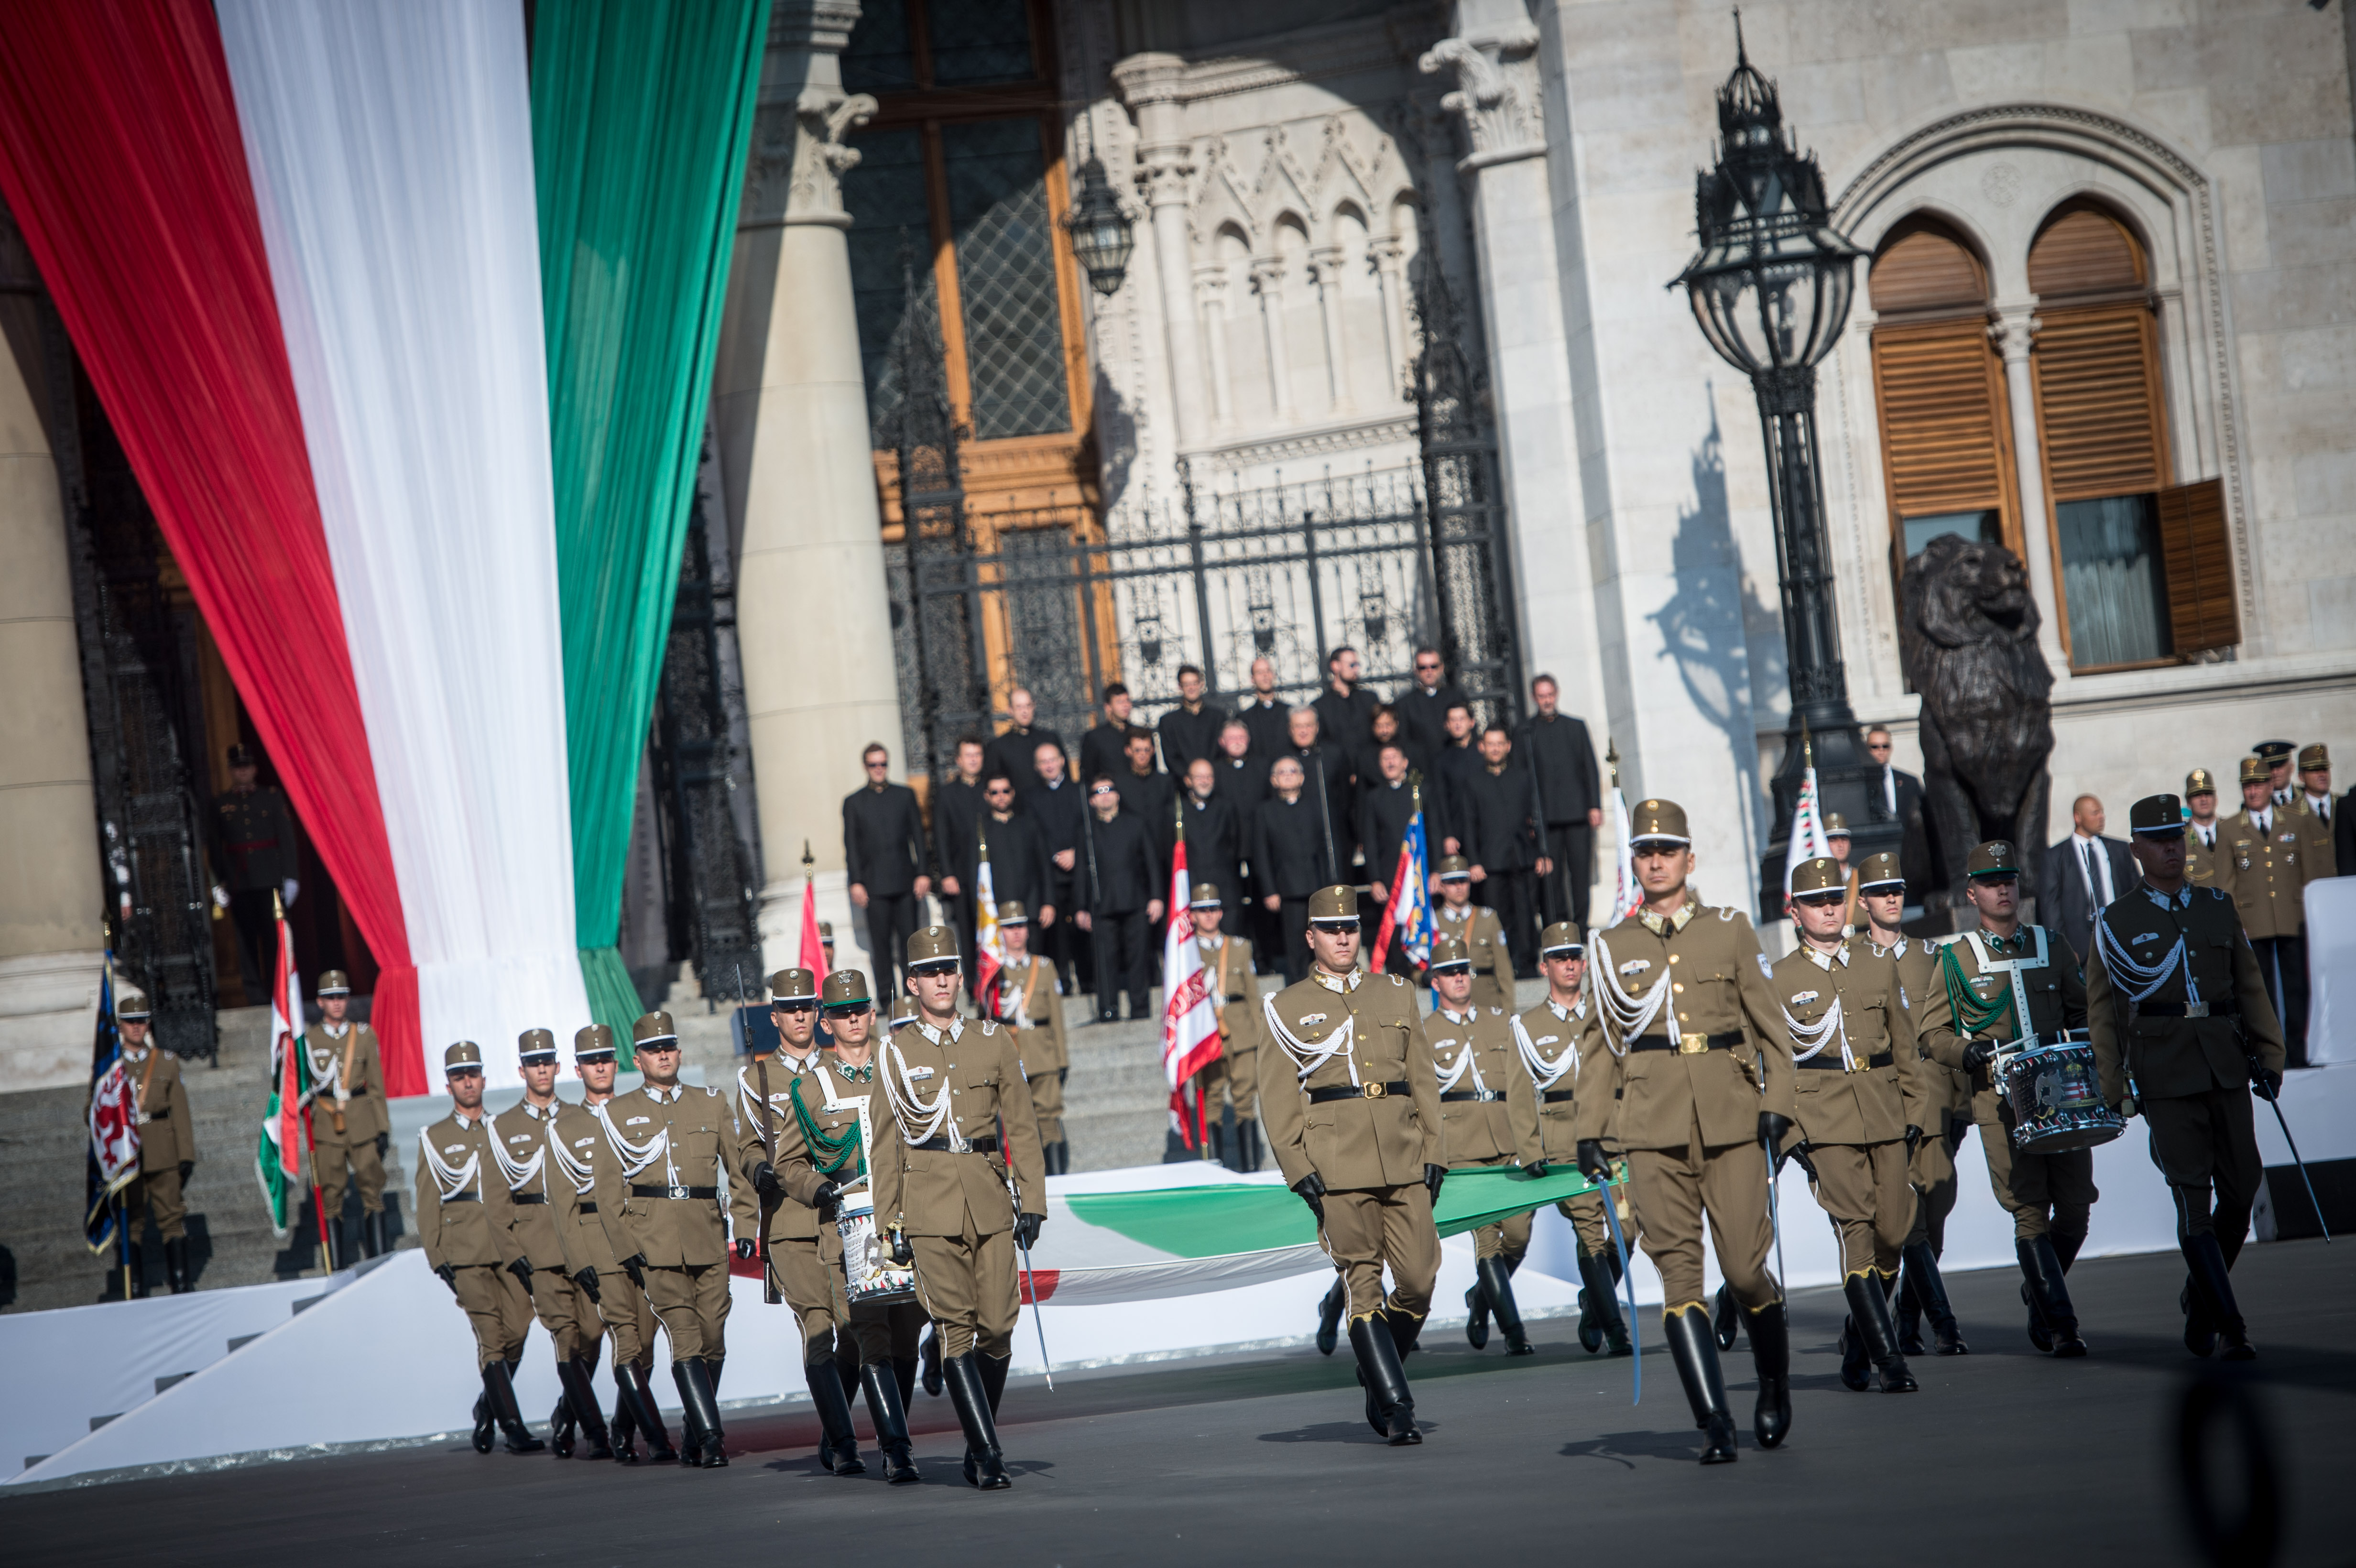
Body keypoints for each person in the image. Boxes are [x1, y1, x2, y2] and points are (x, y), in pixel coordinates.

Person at [1572, 799, 1798, 1464]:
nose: (1656, 862)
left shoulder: (1729, 929)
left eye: (1667, 851)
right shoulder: (1610, 947)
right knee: (1679, 1277)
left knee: (1744, 1271)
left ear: (1688, 859)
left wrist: (1777, 1102)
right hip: (1652, 1128)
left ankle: (1773, 1380)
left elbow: (1773, 1031)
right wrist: (1589, 1130)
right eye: (1645, 852)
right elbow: (1598, 1048)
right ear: (1634, 863)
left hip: (1730, 1120)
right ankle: (1714, 1422)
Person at [2088, 795, 2287, 1361]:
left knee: (2242, 1190)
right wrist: (2113, 1085)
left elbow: (2249, 986)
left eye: (2175, 837)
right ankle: (2230, 1324)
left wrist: (2269, 1056)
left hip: (2224, 1064)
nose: (2170, 848)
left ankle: (2200, 1298)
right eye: (2157, 841)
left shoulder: (2216, 905)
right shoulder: (2114, 921)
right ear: (2135, 849)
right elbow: (2103, 1014)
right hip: (2164, 1073)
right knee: (2192, 1202)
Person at [1262, 887, 1443, 1447]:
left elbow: (1423, 1078)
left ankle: (1376, 1368)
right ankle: (1395, 1405)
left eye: (1350, 927)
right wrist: (1297, 1166)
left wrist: (1435, 1150)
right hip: (1336, 1163)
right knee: (1361, 1282)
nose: (1342, 937)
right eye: (1330, 928)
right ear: (1310, 936)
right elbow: (1277, 1098)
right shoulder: (1285, 1007)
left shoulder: (1396, 991)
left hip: (1403, 1152)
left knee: (1418, 1281)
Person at [870, 926, 1047, 1490]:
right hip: (928, 1205)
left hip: (989, 1195)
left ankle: (978, 1438)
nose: (941, 979)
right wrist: (889, 1223)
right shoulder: (895, 1052)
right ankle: (987, 1453)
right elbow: (884, 1145)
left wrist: (1033, 1199)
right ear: (912, 984)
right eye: (930, 972)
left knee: (997, 1327)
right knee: (957, 1327)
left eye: (948, 969)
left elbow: (1022, 1123)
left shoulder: (993, 1039)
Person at [1914, 840, 2094, 1357]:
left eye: (2009, 881)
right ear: (1972, 893)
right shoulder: (1955, 959)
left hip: (2060, 1094)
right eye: (1991, 883)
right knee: (2028, 1210)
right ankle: (2061, 1325)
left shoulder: (2051, 944)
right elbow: (1931, 1034)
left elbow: (2081, 1013)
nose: (2002, 890)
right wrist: (1964, 1051)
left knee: (2076, 1209)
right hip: (1999, 1100)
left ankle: (2038, 1291)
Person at [764, 969, 926, 1483]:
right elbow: (788, 1163)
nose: (852, 1018)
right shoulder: (811, 1088)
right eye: (841, 1012)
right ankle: (896, 1449)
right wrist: (818, 1188)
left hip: (906, 1220)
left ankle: (889, 1432)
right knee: (869, 1336)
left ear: (873, 1014)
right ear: (827, 1023)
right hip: (847, 1226)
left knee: (907, 1336)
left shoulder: (899, 1070)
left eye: (859, 1009)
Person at [1775, 857, 1927, 1395]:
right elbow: (1769, 1064)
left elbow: (1904, 1045)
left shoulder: (1876, 962)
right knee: (1856, 1233)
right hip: (1824, 1122)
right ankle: (1890, 1361)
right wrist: (1790, 1133)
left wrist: (1915, 1111)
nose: (1828, 909)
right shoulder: (1778, 979)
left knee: (1894, 1234)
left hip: (1884, 1111)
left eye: (1835, 899)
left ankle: (1859, 1340)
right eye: (1815, 902)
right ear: (1794, 911)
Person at [593, 1011, 756, 1469]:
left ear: (680, 1052)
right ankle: (711, 1438)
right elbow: (607, 1193)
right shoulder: (615, 1114)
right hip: (655, 1243)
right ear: (638, 1060)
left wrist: (746, 1226)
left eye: (668, 1047)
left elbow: (739, 1173)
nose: (662, 1055)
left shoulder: (711, 1102)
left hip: (707, 1235)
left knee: (713, 1340)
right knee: (685, 1338)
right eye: (652, 1049)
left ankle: (692, 1428)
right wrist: (627, 1249)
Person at [733, 969, 851, 1469]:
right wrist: (758, 1168)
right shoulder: (756, 1079)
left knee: (854, 1329)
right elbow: (744, 1147)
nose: (800, 1015)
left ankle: (834, 1429)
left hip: (841, 1216)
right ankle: (844, 1445)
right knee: (818, 1326)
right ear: (775, 1016)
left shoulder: (842, 1069)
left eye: (807, 1006)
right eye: (790, 1008)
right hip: (789, 1221)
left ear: (818, 1013)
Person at [1854, 852, 1966, 1357]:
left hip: (1935, 1103)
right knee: (1910, 1223)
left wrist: (1959, 1107)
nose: (1892, 898)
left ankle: (1901, 1319)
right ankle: (1944, 1324)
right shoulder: (1850, 961)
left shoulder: (1930, 955)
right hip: (1883, 1106)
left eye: (1897, 889)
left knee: (1935, 1216)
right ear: (1863, 901)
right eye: (1881, 892)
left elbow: (1951, 1030)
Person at [552, 1024, 674, 1465]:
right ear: (578, 1069)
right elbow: (563, 1205)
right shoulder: (564, 1128)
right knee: (625, 1336)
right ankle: (655, 1437)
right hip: (597, 1241)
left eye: (605, 1058)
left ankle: (620, 1427)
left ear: (617, 1063)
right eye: (591, 1061)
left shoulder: (633, 1111)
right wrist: (578, 1259)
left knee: (648, 1341)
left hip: (640, 1235)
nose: (600, 1066)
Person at [1510, 922, 1630, 1357]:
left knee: (1629, 1231)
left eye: (1576, 957)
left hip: (1614, 1136)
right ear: (1545, 967)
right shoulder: (1527, 1025)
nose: (1570, 965)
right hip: (1565, 1142)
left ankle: (1593, 1305)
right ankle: (1615, 1329)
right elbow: (1520, 1093)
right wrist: (1531, 1150)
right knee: (1590, 1233)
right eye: (1560, 959)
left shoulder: (1607, 1016)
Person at [414, 1041, 540, 1455]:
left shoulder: (502, 1128)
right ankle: (513, 1427)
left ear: (484, 1079)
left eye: (472, 1075)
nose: (467, 1082)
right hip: (465, 1251)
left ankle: (487, 1407)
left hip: (508, 1245)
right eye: (459, 1076)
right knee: (490, 1337)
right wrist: (438, 1257)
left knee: (518, 1328)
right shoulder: (434, 1137)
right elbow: (427, 1203)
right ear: (448, 1085)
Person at [1422, 935, 1534, 1358]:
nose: (1459, 978)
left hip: (1508, 1140)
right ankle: (1515, 1331)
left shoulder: (1501, 1020)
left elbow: (1521, 1085)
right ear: (1435, 982)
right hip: (1463, 1147)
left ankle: (1481, 1298)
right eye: (1449, 973)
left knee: (1518, 1236)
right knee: (1487, 1241)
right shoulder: (1425, 1033)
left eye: (1463, 970)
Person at [489, 1028, 600, 1454]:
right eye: (533, 1063)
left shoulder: (579, 1118)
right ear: (522, 1070)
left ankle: (566, 1414)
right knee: (566, 1337)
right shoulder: (503, 1127)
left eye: (547, 1062)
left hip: (581, 1243)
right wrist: (513, 1251)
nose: (541, 1069)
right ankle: (594, 1430)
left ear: (558, 1066)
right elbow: (496, 1201)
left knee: (593, 1333)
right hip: (538, 1246)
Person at [2220, 755, 2311, 1068]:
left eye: (2258, 784)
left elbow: (2308, 875)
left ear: (2271, 785)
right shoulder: (2230, 829)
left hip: (2291, 917)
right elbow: (2226, 886)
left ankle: (2298, 1050)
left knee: (2297, 987)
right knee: (2262, 992)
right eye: (2248, 786)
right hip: (2253, 921)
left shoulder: (2296, 822)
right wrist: (2235, 925)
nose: (2253, 791)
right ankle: (2272, 1054)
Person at [114, 986, 196, 1296]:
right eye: (130, 1021)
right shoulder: (110, 1067)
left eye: (142, 1020)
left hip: (163, 1151)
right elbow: (91, 1113)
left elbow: (181, 1112)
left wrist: (186, 1155)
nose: (137, 1027)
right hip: (127, 1156)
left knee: (172, 1218)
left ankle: (181, 1285)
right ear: (121, 1025)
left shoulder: (166, 1062)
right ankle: (134, 1290)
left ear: (148, 1023)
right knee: (132, 1222)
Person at [302, 970, 387, 1264]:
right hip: (327, 1125)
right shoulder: (309, 1040)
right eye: (330, 998)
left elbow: (376, 1086)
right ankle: (337, 1268)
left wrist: (383, 1128)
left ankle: (379, 1263)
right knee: (331, 1197)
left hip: (362, 1121)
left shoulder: (364, 1035)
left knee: (373, 1191)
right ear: (320, 1002)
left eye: (341, 997)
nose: (337, 1003)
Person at [206, 742, 300, 999]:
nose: (243, 771)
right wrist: (217, 883)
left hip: (270, 879)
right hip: (239, 881)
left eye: (246, 766)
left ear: (255, 769)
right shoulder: (220, 804)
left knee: (274, 939)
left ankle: (280, 993)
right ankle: (255, 996)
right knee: (245, 943)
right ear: (230, 771)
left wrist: (291, 876)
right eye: (238, 767)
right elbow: (214, 848)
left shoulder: (271, 797)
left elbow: (286, 838)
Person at [844, 743, 932, 1004]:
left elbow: (919, 837)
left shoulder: (905, 795)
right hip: (873, 886)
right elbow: (851, 846)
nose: (879, 769)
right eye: (874, 765)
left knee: (910, 943)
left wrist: (923, 873)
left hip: (905, 882)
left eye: (883, 764)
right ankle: (887, 999)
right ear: (865, 767)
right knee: (880, 946)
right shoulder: (854, 802)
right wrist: (856, 882)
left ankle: (913, 997)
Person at [1185, 885, 1263, 1171]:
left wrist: (1260, 1035)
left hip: (1241, 1032)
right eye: (1202, 910)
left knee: (1245, 1099)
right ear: (1192, 916)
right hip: (1206, 1035)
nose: (1209, 915)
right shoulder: (1186, 954)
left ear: (1221, 913)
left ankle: (1251, 1170)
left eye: (1213, 909)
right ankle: (1216, 1173)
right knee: (1211, 1100)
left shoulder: (1240, 947)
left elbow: (1253, 995)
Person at [1516, 675, 1603, 930]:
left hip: (1578, 814)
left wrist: (1595, 805)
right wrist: (1528, 815)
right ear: (1534, 698)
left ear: (1557, 694)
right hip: (1546, 818)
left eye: (1550, 695)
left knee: (1580, 873)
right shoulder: (1525, 732)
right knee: (1552, 876)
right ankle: (1561, 925)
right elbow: (1521, 777)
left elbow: (1590, 768)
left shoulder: (1576, 727)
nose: (1547, 701)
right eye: (1542, 696)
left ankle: (1581, 925)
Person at [1074, 773, 1163, 1021]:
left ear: (1117, 795)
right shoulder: (1086, 831)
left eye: (1109, 790)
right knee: (1105, 960)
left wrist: (1156, 897)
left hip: (1135, 900)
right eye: (1098, 791)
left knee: (1138, 958)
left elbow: (1152, 863)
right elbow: (1081, 872)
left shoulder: (1136, 823)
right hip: (1102, 904)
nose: (1105, 796)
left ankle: (1140, 1008)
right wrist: (1081, 907)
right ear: (1091, 801)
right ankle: (1108, 1009)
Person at [1462, 724, 1549, 974]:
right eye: (1491, 744)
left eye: (1500, 744)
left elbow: (1536, 816)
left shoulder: (1523, 777)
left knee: (1526, 913)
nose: (1495, 749)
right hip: (1491, 862)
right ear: (1482, 747)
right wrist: (1474, 862)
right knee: (1500, 917)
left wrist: (1542, 854)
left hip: (1523, 857)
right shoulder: (1473, 782)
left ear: (1508, 746)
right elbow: (1469, 824)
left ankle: (1528, 963)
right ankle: (1506, 965)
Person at [993, 905, 1072, 1174]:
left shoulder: (1045, 967)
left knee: (1049, 1119)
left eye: (1021, 926)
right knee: (1016, 1125)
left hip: (1042, 1055)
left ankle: (1058, 1178)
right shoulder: (994, 972)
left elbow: (1057, 1018)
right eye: (1009, 927)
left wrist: (1062, 1060)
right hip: (1010, 1057)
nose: (1016, 933)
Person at [1253, 756, 1330, 983]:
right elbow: (1262, 855)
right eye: (1282, 772)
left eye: (1293, 771)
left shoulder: (1316, 806)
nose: (1288, 776)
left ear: (1302, 778)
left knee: (1323, 941)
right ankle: (1298, 989)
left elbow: (1325, 849)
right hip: (1287, 889)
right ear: (1274, 780)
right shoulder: (1265, 811)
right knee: (1296, 945)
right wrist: (1270, 891)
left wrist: (1329, 885)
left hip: (1318, 887)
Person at [2044, 794, 2139, 964]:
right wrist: (2062, 948)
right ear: (2078, 817)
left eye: (2102, 812)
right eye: (2095, 813)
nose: (2102, 817)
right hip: (2081, 950)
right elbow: (2051, 907)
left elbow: (2136, 891)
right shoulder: (2056, 856)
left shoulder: (2119, 849)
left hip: (2123, 942)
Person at [1358, 742, 1426, 974]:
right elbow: (1370, 842)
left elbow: (1434, 832)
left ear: (1405, 762)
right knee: (1395, 930)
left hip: (1420, 871)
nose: (1390, 763)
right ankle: (1400, 979)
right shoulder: (1374, 798)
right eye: (1385, 759)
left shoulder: (1420, 792)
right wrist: (1375, 879)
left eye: (1394, 757)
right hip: (1390, 876)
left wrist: (1436, 872)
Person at [1030, 740, 1088, 994]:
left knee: (1083, 927)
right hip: (1051, 874)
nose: (1049, 765)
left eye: (1052, 760)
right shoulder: (1031, 798)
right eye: (1043, 762)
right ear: (1037, 767)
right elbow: (1036, 834)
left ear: (1063, 761)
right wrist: (1056, 855)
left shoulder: (1080, 791)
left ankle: (1088, 980)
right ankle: (1063, 980)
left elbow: (1086, 827)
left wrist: (1076, 853)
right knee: (1058, 934)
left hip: (1080, 871)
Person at [1433, 856, 1514, 1013]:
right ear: (1442, 886)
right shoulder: (1433, 923)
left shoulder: (1488, 919)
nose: (1459, 887)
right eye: (1452, 882)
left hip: (1486, 1002)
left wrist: (1508, 1013)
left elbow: (1504, 970)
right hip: (1448, 1008)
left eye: (1463, 881)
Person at [933, 736, 989, 959]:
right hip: (962, 875)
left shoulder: (993, 789)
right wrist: (947, 874)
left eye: (977, 755)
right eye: (968, 755)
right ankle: (973, 980)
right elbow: (941, 837)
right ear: (959, 760)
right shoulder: (947, 794)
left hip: (992, 874)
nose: (973, 760)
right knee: (968, 934)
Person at [1866, 725, 1935, 892]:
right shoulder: (1862, 786)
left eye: (1885, 746)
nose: (1881, 751)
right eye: (1875, 747)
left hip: (1911, 858)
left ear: (1891, 747)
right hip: (1879, 858)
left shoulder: (1910, 781)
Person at [1182, 757, 1245, 934]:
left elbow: (1235, 845)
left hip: (1226, 891)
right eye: (1199, 777)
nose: (1205, 781)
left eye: (1209, 776)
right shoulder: (1176, 811)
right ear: (1188, 780)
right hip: (1191, 891)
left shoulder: (1226, 808)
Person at [1286, 705, 1349, 879]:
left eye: (1308, 726)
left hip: (1332, 836)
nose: (1304, 731)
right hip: (1297, 842)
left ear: (1317, 727)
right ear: (1290, 730)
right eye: (1298, 726)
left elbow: (1346, 797)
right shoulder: (1283, 760)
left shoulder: (1334, 754)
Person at [1115, 726, 1177, 883]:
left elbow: (1172, 817)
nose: (1142, 755)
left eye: (1146, 750)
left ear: (1153, 751)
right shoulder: (1119, 784)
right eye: (1137, 750)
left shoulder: (1165, 781)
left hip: (1164, 852)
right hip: (1133, 855)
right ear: (1128, 751)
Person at [1393, 646, 1468, 769]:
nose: (1429, 671)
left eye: (1433, 666)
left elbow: (1470, 731)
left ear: (1441, 668)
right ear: (1416, 670)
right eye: (1423, 667)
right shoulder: (1405, 704)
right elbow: (1404, 741)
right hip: (1424, 767)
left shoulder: (1456, 696)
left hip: (1457, 764)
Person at [984, 687, 1065, 797]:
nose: (1025, 711)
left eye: (1028, 706)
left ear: (1034, 706)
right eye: (1019, 707)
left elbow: (1065, 776)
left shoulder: (1050, 739)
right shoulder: (998, 747)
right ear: (1010, 710)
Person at [1313, 646, 1381, 776]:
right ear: (1336, 666)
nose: (1356, 670)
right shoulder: (1321, 706)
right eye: (1352, 665)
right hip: (1340, 774)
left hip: (1372, 770)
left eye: (1357, 665)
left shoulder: (1370, 699)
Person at [1157, 663, 1228, 775]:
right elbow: (1171, 757)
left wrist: (1212, 776)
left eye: (1195, 683)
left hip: (1216, 778)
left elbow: (1224, 751)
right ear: (1180, 687)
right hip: (1185, 782)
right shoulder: (1169, 722)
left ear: (1201, 684)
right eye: (1187, 684)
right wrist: (1187, 778)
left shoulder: (1218, 717)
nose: (1191, 688)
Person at [1079, 682, 1138, 788]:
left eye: (1127, 700)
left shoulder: (1138, 733)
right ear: (1108, 707)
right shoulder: (1095, 737)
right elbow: (1089, 774)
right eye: (1120, 702)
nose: (1126, 705)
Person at [1235, 655, 1291, 762]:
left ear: (1274, 675)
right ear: (1253, 679)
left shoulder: (1289, 712)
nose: (1265, 675)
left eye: (1268, 671)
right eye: (1260, 672)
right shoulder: (1244, 718)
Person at [2293, 744, 2337, 877]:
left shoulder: (2343, 805)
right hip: (2313, 885)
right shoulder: (2291, 813)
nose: (2322, 775)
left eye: (2325, 769)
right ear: (2301, 776)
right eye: (2315, 770)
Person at [2184, 769, 2225, 889]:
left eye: (2208, 794)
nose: (2204, 800)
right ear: (2189, 803)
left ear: (2216, 799)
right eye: (2197, 795)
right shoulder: (2181, 839)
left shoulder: (2232, 830)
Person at [2256, 739, 2297, 808]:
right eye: (2271, 768)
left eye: (2280, 766)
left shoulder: (2306, 796)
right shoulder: (2257, 804)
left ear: (2292, 767)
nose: (2275, 772)